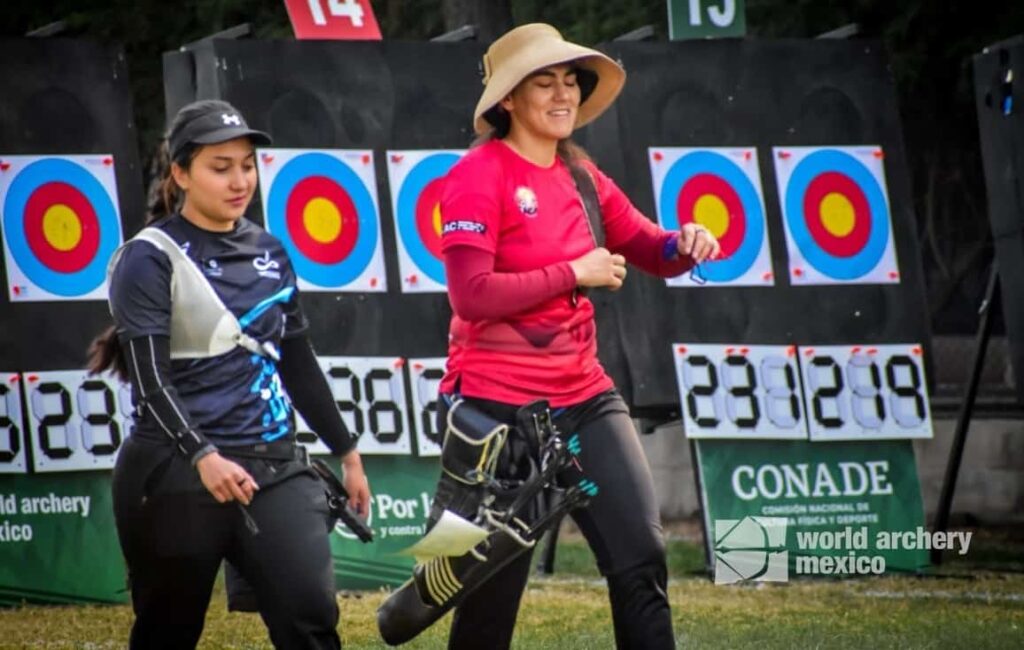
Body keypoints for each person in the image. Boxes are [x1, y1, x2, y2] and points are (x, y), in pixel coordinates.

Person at [437, 24, 720, 649]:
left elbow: (653, 247)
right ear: (509, 99)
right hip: (495, 410)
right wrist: (575, 272)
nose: (564, 93)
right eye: (546, 81)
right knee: (490, 594)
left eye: (571, 80)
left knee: (641, 557)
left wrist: (689, 241)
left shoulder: (583, 178)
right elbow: (470, 295)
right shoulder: (475, 176)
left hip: (584, 398)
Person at [87, 99, 371, 650]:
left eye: (246, 164)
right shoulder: (148, 258)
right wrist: (202, 455)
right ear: (180, 173)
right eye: (221, 167)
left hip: (273, 467)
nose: (240, 180)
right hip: (174, 470)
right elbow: (149, 380)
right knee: (169, 630)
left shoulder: (270, 250)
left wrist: (348, 452)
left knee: (311, 614)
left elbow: (297, 361)